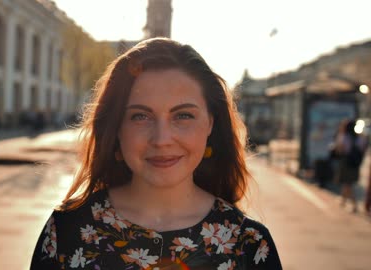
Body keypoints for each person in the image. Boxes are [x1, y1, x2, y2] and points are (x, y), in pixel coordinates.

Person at [30, 38, 282, 269]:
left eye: (183, 115)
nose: (162, 139)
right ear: (117, 127)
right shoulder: (64, 233)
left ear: (210, 124)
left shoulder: (250, 246)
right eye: (140, 116)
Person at [334, 119, 367, 213]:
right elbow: (363, 150)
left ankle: (354, 205)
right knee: (348, 182)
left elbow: (339, 150)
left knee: (347, 183)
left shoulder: (344, 137)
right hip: (355, 163)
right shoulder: (360, 138)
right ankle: (343, 201)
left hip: (346, 162)